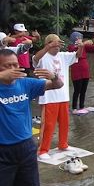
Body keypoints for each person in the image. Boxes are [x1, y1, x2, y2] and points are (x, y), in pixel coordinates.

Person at [0, 48, 63, 186]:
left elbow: (57, 85)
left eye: (15, 65)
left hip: (26, 146)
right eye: (7, 66)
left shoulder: (25, 84)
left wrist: (54, 75)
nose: (13, 69)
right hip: (3, 150)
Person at [33, 35, 83, 166]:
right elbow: (35, 58)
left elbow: (77, 55)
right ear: (48, 43)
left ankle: (63, 144)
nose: (57, 45)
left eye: (58, 43)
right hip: (49, 96)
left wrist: (81, 47)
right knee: (48, 125)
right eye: (54, 43)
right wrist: (48, 46)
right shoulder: (43, 56)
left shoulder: (63, 56)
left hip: (63, 96)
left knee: (65, 123)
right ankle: (43, 150)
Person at [68, 32, 94, 114]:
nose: (80, 39)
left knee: (83, 90)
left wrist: (93, 41)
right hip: (76, 70)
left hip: (85, 70)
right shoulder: (71, 47)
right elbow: (74, 51)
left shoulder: (84, 46)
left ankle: (82, 106)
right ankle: (74, 107)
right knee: (77, 89)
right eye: (79, 38)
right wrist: (82, 44)